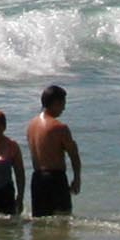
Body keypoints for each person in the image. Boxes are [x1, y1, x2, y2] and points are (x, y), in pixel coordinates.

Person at [24, 84, 81, 218]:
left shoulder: (31, 126)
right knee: (63, 221)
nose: (64, 108)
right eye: (63, 104)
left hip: (37, 179)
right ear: (56, 103)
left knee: (40, 224)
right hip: (55, 179)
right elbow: (73, 155)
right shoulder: (59, 127)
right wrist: (77, 178)